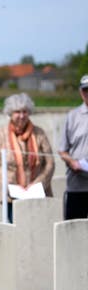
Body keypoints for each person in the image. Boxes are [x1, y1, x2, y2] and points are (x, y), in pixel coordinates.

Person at [0, 93, 55, 222]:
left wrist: (38, 183)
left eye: (25, 112)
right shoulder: (1, 134)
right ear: (10, 113)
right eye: (17, 112)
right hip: (12, 195)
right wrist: (9, 185)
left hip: (37, 193)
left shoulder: (39, 133)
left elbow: (50, 162)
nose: (21, 116)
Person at [58, 74, 88, 219]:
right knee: (74, 231)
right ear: (80, 92)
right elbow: (62, 150)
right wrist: (72, 162)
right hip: (77, 185)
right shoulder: (72, 116)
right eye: (85, 90)